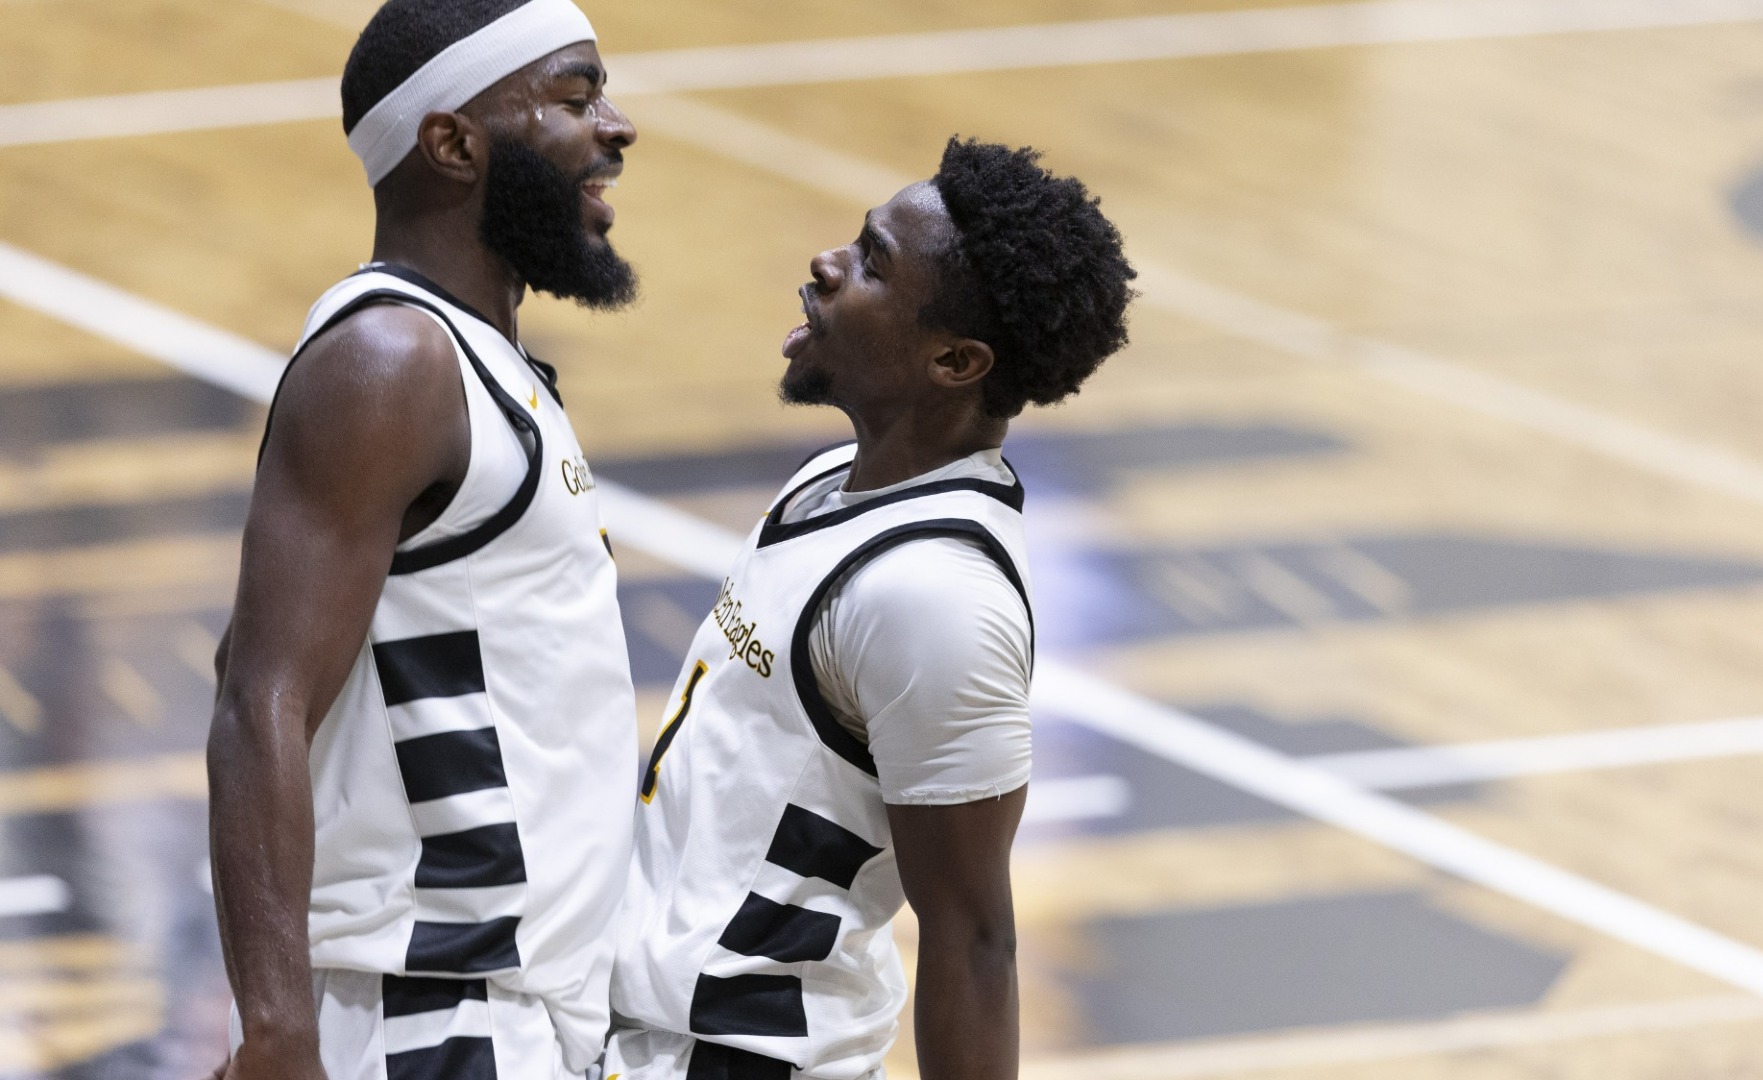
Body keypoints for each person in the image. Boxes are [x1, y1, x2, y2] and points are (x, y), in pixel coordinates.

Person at [606, 137, 1136, 1080]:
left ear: (956, 360)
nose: (826, 264)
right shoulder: (830, 483)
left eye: (872, 265)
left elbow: (975, 941)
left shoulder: (935, 599)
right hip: (644, 1039)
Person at [204, 1, 642, 1077]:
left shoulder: (480, 363)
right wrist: (275, 1029)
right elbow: (259, 693)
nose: (619, 128)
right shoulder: (395, 361)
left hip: (514, 1006)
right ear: (453, 144)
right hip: (433, 1020)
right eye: (578, 98)